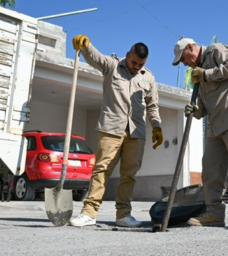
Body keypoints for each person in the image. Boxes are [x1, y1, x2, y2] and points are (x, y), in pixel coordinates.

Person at [70, 35, 163, 228]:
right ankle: (89, 213)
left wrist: (157, 126)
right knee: (102, 170)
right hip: (111, 128)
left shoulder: (148, 77)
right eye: (134, 62)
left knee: (129, 175)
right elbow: (95, 57)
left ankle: (123, 215)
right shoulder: (112, 66)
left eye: (141, 64)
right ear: (128, 54)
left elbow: (152, 106)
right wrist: (86, 46)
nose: (136, 67)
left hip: (136, 133)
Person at [172, 38, 228, 230]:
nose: (184, 63)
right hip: (217, 123)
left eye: (183, 58)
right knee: (211, 169)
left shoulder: (214, 51)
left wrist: (206, 74)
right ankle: (214, 213)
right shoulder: (197, 74)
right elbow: (206, 105)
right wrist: (196, 110)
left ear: (190, 48)